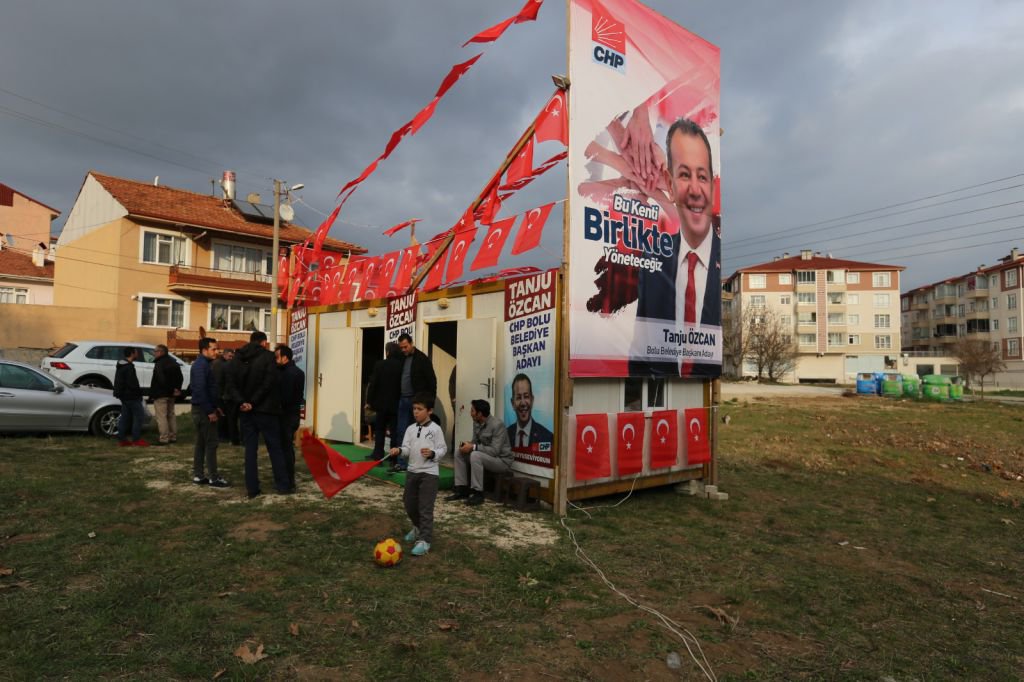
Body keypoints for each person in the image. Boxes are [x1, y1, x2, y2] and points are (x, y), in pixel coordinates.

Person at [632, 117, 722, 377]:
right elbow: (638, 355)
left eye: (702, 177)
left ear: (713, 188)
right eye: (684, 175)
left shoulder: (719, 263)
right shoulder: (653, 261)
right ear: (669, 184)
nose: (695, 189)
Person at [230, 330, 290, 498]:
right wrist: (253, 402)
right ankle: (283, 485)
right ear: (263, 343)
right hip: (267, 410)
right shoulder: (268, 357)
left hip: (245, 412)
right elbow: (268, 383)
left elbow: (231, 385)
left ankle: (252, 488)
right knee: (275, 448)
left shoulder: (237, 358)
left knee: (250, 450)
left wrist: (243, 402)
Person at [389, 393, 446, 556]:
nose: (415, 412)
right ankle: (418, 527)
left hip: (429, 474)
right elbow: (406, 449)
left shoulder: (436, 429)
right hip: (412, 472)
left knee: (425, 507)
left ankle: (425, 540)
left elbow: (443, 449)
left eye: (419, 409)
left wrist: (433, 453)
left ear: (429, 411)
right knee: (408, 503)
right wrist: (399, 450)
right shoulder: (410, 429)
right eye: (414, 409)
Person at [447, 399, 513, 506]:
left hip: (501, 461)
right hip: (486, 457)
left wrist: (473, 447)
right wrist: (467, 445)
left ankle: (478, 493)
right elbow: (475, 442)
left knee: (475, 455)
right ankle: (461, 489)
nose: (470, 413)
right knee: (459, 452)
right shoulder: (476, 422)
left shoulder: (497, 425)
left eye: (472, 411)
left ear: (480, 414)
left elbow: (495, 451)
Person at [392, 333, 437, 472]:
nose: (404, 349)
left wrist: (430, 403)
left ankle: (415, 462)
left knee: (416, 433)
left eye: (405, 346)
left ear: (412, 343)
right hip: (403, 399)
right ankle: (401, 462)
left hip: (416, 401)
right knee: (401, 431)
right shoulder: (401, 358)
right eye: (401, 347)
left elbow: (432, 380)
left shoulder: (422, 359)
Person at [190, 337, 228, 487]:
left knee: (201, 443)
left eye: (217, 348)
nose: (216, 352)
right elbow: (200, 390)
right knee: (211, 443)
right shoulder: (200, 366)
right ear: (204, 350)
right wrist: (210, 411)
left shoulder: (205, 364)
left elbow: (209, 389)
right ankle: (213, 477)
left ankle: (199, 476)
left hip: (203, 409)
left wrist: (215, 406)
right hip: (203, 411)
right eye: (213, 349)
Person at [365, 341, 403, 461]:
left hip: (381, 405)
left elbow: (373, 385)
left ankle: (378, 454)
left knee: (380, 430)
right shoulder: (401, 365)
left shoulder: (379, 364)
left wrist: (369, 401)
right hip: (396, 404)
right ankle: (393, 457)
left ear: (387, 352)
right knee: (394, 432)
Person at [275, 344, 305, 492]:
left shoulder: (287, 374)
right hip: (294, 415)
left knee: (285, 449)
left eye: (277, 357)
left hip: (285, 416)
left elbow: (285, 398)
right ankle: (289, 480)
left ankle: (287, 481)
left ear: (284, 357)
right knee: (288, 448)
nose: (275, 360)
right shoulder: (298, 372)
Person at [506, 373, 553, 450]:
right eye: (518, 398)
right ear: (512, 403)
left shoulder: (547, 437)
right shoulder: (505, 435)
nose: (523, 403)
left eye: (526, 396)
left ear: (532, 400)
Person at [113, 347, 148, 447]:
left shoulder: (121, 365)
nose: (137, 354)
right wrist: (139, 394)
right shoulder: (128, 367)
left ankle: (122, 439)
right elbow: (132, 383)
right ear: (132, 354)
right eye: (136, 352)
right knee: (139, 417)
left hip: (124, 396)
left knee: (125, 417)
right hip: (132, 396)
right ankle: (136, 440)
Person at [150, 344, 182, 445]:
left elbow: (161, 379)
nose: (154, 353)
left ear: (161, 352)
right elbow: (180, 377)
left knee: (161, 416)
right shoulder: (173, 362)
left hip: (161, 393)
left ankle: (164, 438)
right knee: (171, 415)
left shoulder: (160, 363)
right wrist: (176, 389)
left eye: (155, 351)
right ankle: (173, 436)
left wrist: (170, 389)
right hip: (172, 394)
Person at [212, 348, 239, 444]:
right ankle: (222, 436)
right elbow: (219, 381)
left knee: (225, 416)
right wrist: (220, 395)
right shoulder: (220, 365)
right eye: (229, 356)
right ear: (224, 355)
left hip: (223, 394)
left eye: (232, 356)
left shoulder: (221, 364)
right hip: (221, 394)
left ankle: (224, 435)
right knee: (222, 416)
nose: (231, 358)